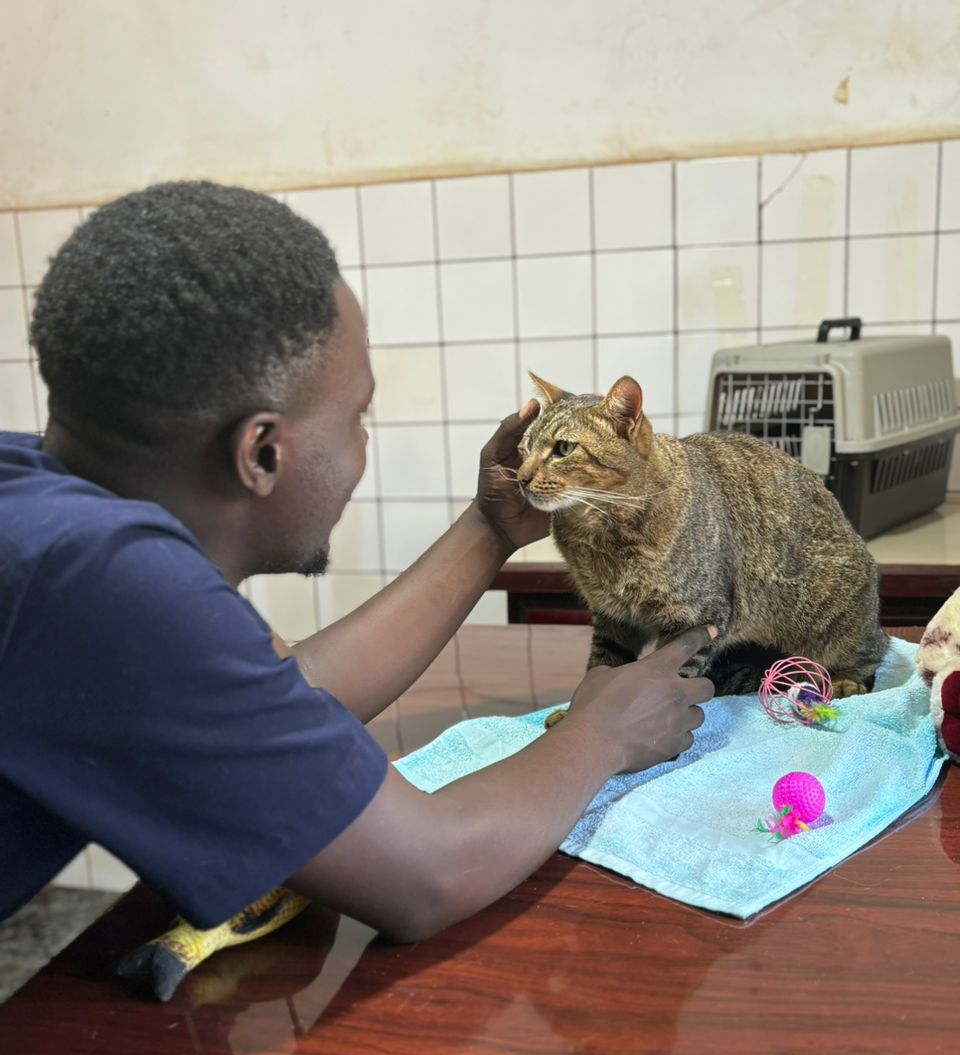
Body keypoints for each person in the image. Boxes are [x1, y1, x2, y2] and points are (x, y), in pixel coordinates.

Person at [0, 180, 714, 942]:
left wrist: (490, 527)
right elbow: (427, 873)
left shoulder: (35, 503)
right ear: (262, 452)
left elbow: (272, 699)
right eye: (357, 418)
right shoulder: (104, 581)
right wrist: (602, 732)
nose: (363, 444)